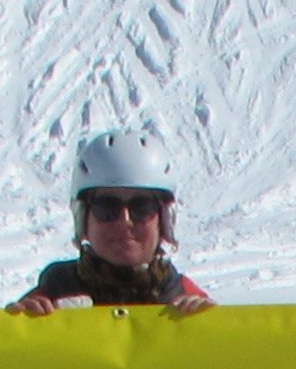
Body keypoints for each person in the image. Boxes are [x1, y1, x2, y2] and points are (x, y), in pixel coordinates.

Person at [12, 132, 213, 312]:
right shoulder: (50, 295)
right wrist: (24, 328)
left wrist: (207, 328)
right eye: (106, 207)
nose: (124, 221)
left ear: (163, 220)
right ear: (83, 219)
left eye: (141, 208)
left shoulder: (186, 297)